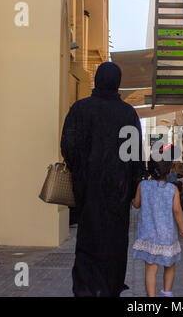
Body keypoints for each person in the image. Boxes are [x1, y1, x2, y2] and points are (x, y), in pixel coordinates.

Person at [61, 62, 144, 297]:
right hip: (117, 193)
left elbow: (68, 144)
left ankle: (86, 288)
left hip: (88, 190)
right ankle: (110, 286)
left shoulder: (80, 109)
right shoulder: (128, 113)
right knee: (115, 242)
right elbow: (135, 154)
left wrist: (81, 169)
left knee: (88, 238)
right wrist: (132, 181)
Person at [132, 157, 183, 297]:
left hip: (148, 235)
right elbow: (177, 210)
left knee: (150, 268)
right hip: (167, 235)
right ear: (169, 172)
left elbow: (136, 204)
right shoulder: (172, 189)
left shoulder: (143, 185)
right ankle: (167, 292)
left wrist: (133, 200)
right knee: (170, 264)